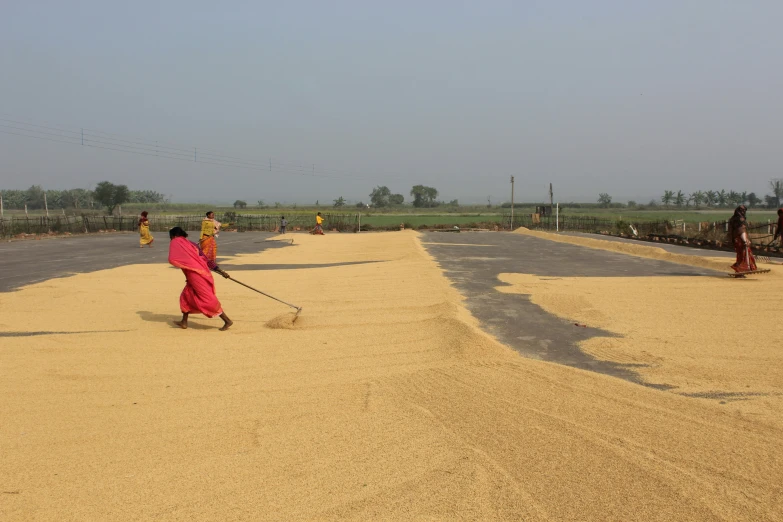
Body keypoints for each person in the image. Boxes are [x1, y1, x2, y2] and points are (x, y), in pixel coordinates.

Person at [168, 227, 233, 330]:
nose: (171, 240)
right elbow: (205, 259)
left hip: (196, 275)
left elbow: (173, 258)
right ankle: (184, 322)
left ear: (174, 236)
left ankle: (227, 320)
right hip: (198, 273)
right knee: (186, 296)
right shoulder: (192, 245)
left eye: (171, 237)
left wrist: (220, 271)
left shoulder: (177, 242)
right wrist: (220, 271)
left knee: (207, 298)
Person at [728, 205, 757, 275]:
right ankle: (741, 270)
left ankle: (740, 270)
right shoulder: (740, 219)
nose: (744, 212)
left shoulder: (732, 219)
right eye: (743, 211)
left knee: (740, 255)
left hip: (735, 239)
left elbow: (731, 231)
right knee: (743, 255)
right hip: (740, 239)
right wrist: (745, 240)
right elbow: (741, 230)